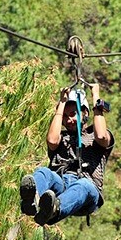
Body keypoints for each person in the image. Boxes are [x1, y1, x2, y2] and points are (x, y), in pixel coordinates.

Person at [20, 83, 114, 226]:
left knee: (82, 185)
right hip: (62, 184)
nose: (69, 120)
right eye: (65, 116)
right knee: (43, 172)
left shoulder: (93, 137)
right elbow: (51, 140)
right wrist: (62, 103)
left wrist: (96, 97)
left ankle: (54, 211)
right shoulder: (61, 138)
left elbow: (101, 136)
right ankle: (32, 201)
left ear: (85, 114)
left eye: (72, 114)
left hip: (87, 190)